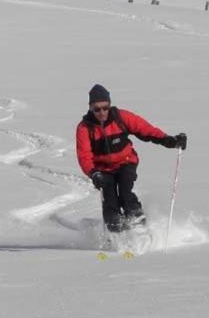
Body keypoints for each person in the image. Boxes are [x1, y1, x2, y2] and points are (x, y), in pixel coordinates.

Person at [75, 84, 187, 233]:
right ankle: (115, 230)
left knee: (125, 193)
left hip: (125, 162)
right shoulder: (84, 128)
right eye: (97, 109)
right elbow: (84, 156)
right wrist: (93, 173)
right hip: (102, 170)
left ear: (109, 105)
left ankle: (138, 223)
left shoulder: (121, 117)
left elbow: (146, 130)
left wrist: (170, 140)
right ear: (90, 108)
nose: (102, 112)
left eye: (105, 107)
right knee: (110, 200)